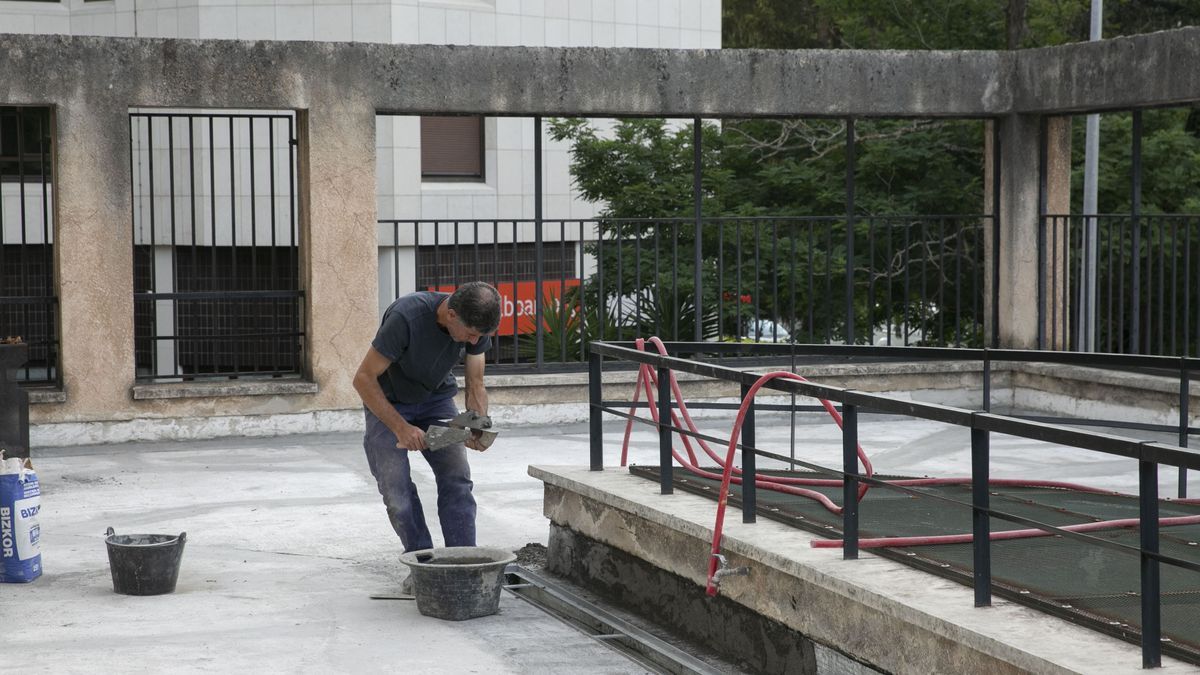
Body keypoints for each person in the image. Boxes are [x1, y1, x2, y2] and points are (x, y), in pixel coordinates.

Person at [353, 281, 502, 556]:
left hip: (435, 401)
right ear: (452, 315)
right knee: (397, 492)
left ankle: (462, 561)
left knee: (456, 476)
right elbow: (363, 379)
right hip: (388, 404)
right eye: (470, 335)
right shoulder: (406, 317)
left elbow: (476, 381)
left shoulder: (475, 326)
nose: (474, 341)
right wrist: (400, 428)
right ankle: (424, 564)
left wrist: (478, 423)